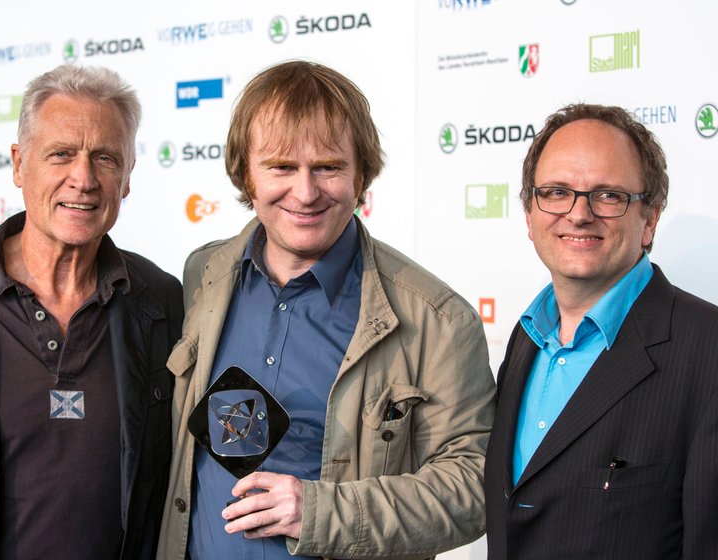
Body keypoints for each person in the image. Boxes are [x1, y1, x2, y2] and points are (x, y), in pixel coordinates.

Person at [158, 60, 496, 559]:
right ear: (245, 174)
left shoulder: (438, 322)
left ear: (361, 174)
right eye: (281, 167)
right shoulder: (202, 277)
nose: (306, 192)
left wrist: (318, 512)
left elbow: (473, 487)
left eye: (329, 167)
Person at [0, 65, 183, 559]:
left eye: (105, 158)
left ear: (127, 178)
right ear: (20, 165)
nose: (82, 179)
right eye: (61, 153)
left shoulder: (160, 301)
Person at [484, 103, 718, 558]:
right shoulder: (527, 336)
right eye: (555, 192)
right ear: (530, 215)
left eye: (608, 195)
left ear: (649, 218)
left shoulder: (707, 349)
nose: (578, 214)